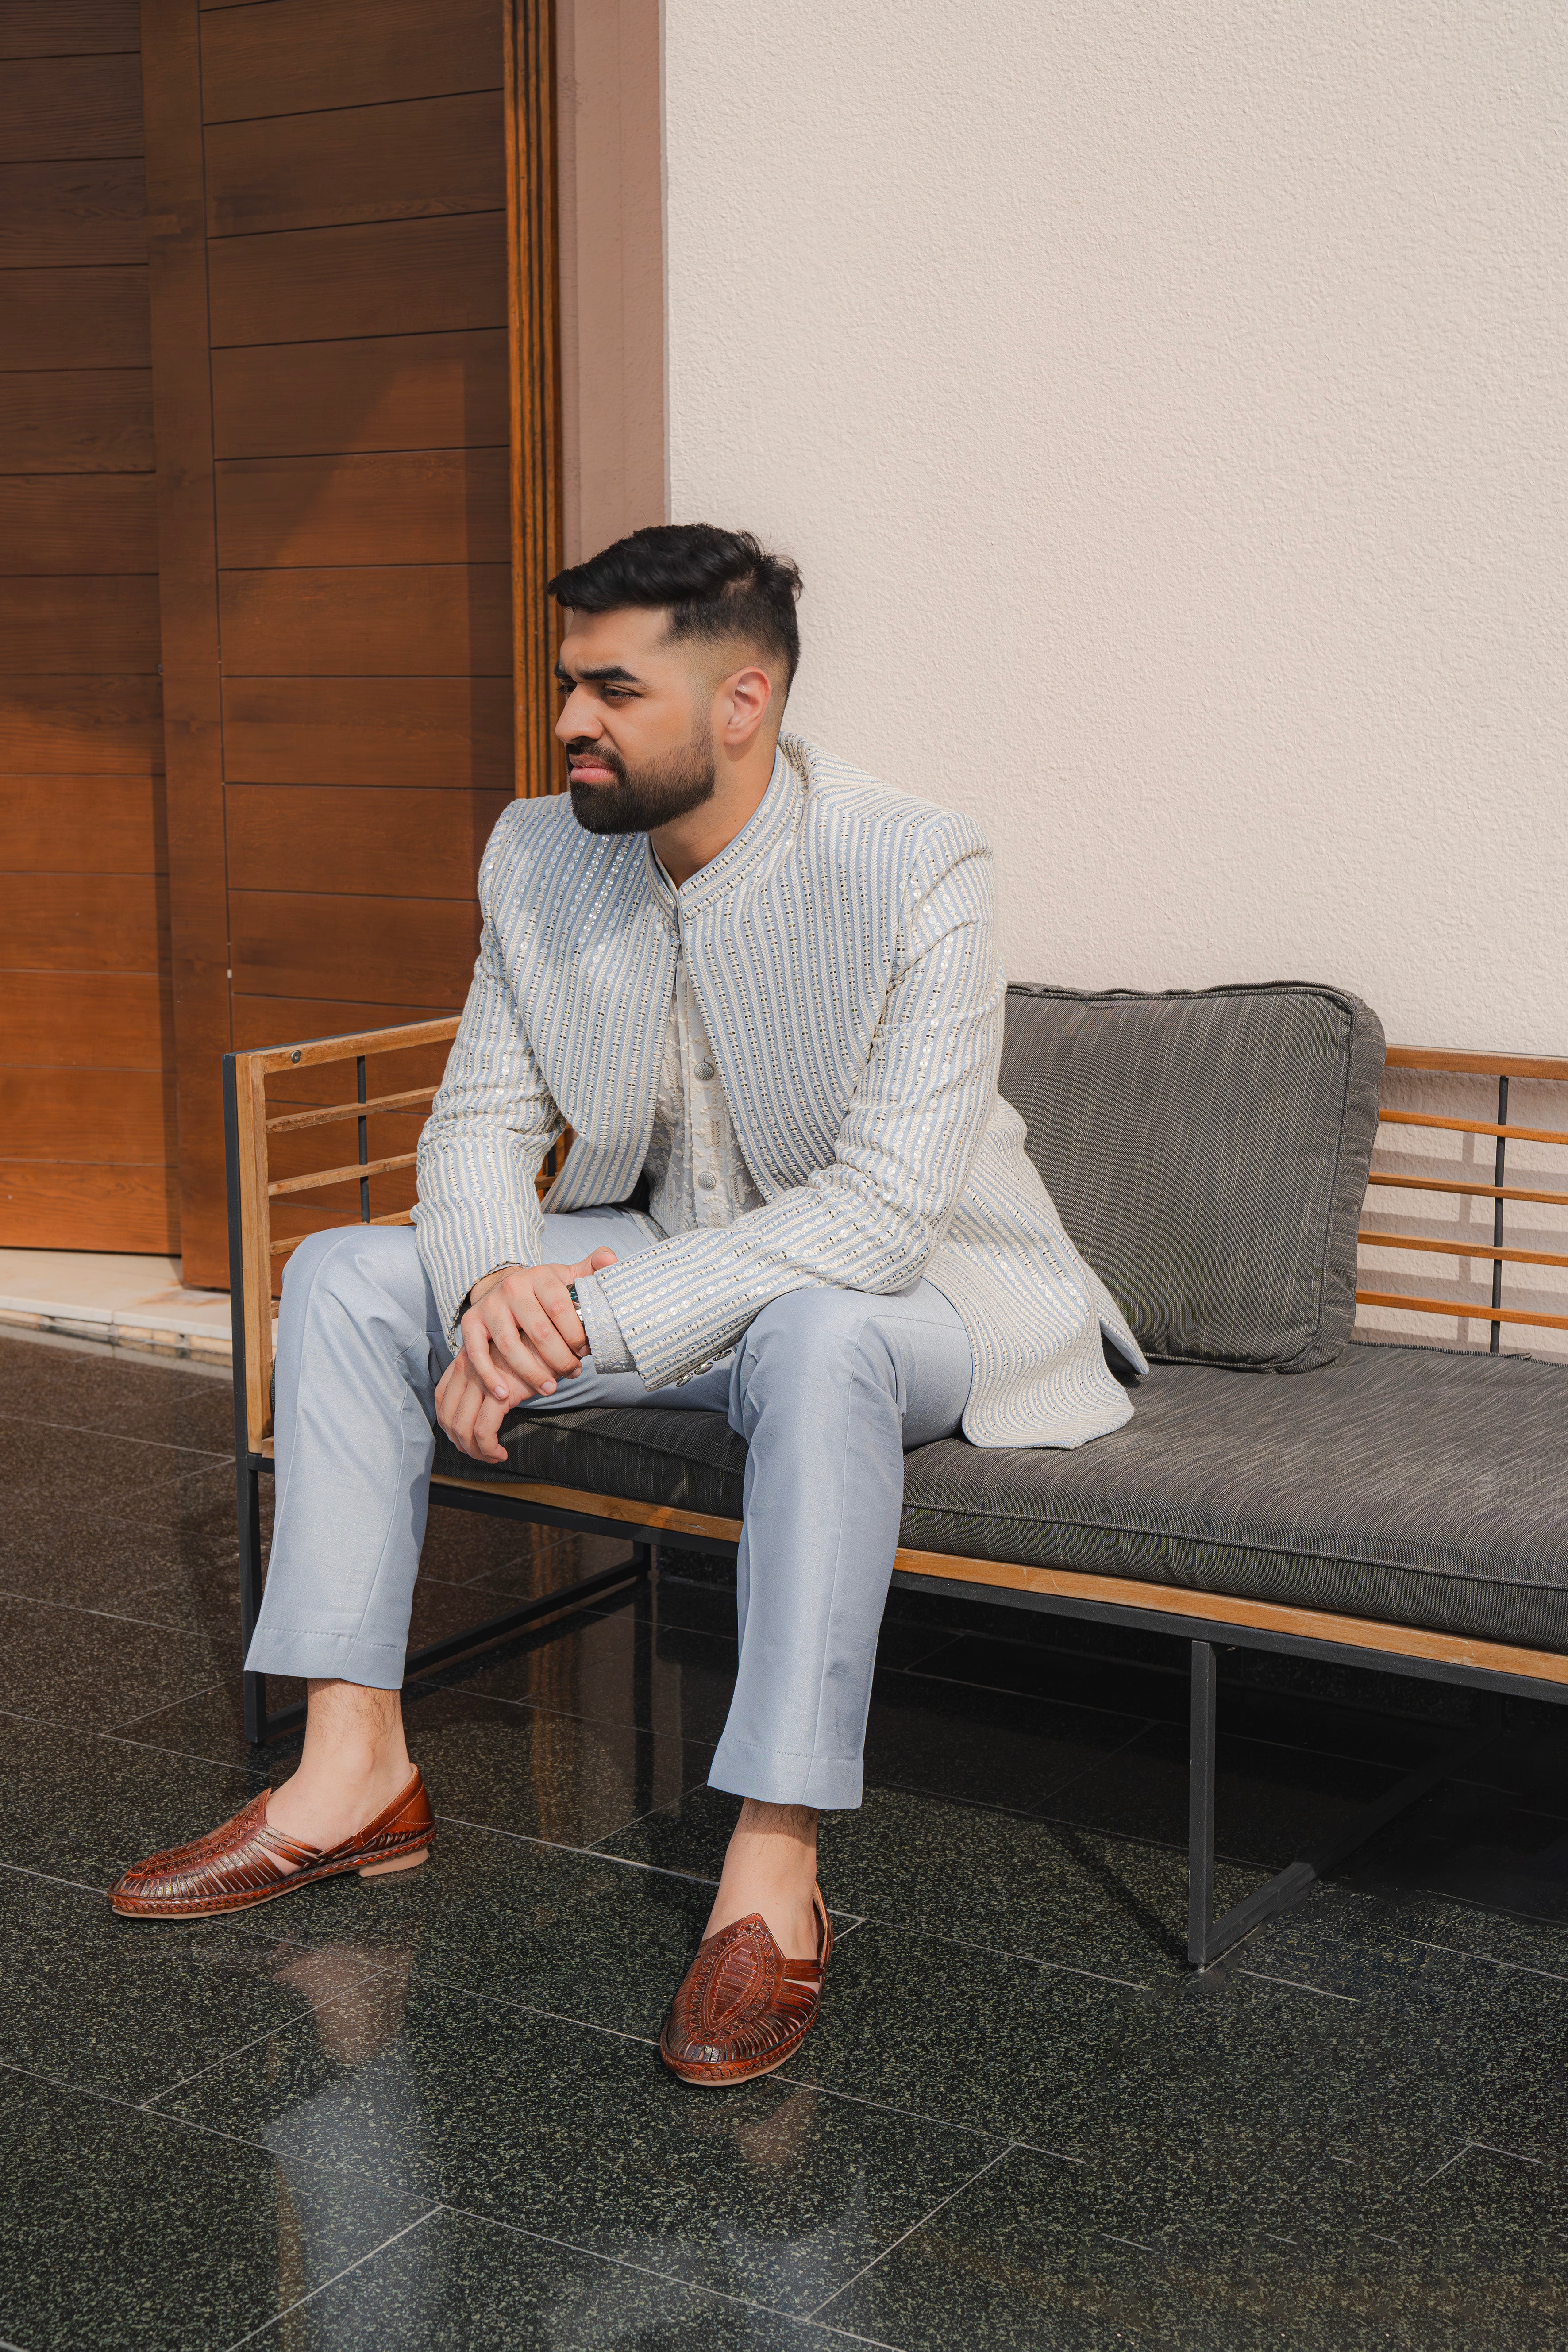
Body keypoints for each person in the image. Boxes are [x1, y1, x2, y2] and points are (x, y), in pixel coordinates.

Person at [110, 523, 1146, 2086]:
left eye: (612, 687)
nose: (570, 721)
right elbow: (475, 1130)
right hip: (655, 1262)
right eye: (565, 684)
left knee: (819, 1327)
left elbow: (878, 1214)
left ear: (745, 699)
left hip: (921, 1296)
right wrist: (490, 1287)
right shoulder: (541, 849)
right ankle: (350, 1774)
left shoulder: (916, 859)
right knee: (343, 1272)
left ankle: (773, 1869)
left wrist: (584, 1322)